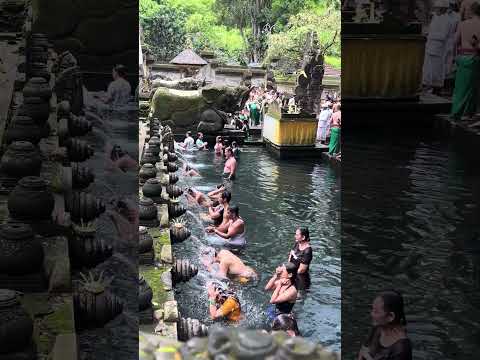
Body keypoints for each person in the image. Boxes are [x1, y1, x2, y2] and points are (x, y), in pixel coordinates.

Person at [358, 290, 412, 360]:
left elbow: (365, 354)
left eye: (376, 311)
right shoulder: (378, 328)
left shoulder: (402, 348)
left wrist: (368, 357)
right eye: (372, 309)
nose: (371, 314)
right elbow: (363, 351)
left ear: (390, 316)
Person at [451, 1, 480, 121]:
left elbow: (454, 42)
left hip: (463, 58)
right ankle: (469, 113)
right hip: (476, 58)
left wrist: (454, 59)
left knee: (460, 88)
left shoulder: (463, 24)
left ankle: (457, 113)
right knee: (474, 88)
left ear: (471, 11)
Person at [422, 0, 452, 94]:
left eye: (437, 8)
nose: (435, 10)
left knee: (437, 73)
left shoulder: (447, 20)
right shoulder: (435, 17)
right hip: (430, 48)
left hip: (438, 50)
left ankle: (436, 90)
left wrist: (429, 34)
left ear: (443, 9)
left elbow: (443, 36)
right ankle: (427, 88)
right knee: (428, 72)